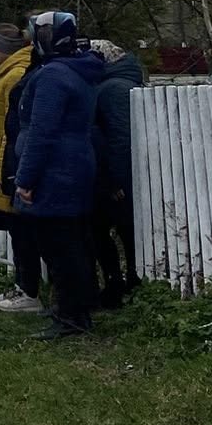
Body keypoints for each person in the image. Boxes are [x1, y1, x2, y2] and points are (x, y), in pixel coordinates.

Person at [13, 10, 106, 339]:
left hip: (55, 170)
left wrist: (26, 179)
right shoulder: (78, 69)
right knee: (74, 241)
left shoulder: (53, 75)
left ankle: (71, 317)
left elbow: (42, 132)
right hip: (74, 164)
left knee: (59, 245)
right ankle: (79, 307)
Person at [0, 24, 44, 313]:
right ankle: (22, 287)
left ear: (4, 48)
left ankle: (28, 291)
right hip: (5, 160)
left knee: (23, 230)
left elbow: (13, 127)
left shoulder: (16, 74)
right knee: (19, 230)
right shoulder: (9, 72)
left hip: (11, 162)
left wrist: (8, 168)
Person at [88, 38, 143, 307]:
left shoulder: (111, 89)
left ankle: (120, 284)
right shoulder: (120, 84)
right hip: (119, 175)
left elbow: (119, 138)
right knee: (120, 231)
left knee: (105, 229)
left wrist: (114, 180)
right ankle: (124, 282)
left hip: (116, 178)